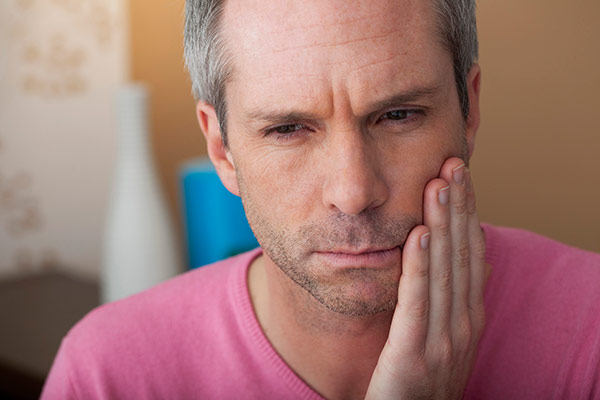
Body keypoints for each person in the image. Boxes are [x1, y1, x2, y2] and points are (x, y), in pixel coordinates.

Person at [42, 0, 600, 399]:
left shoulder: (590, 331)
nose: (354, 193)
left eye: (398, 115)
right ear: (222, 148)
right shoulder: (107, 375)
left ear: (469, 111)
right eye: (288, 129)